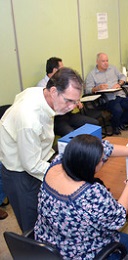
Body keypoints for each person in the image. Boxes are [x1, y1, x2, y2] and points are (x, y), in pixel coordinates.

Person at [35, 134, 128, 259]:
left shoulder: (57, 163)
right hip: (80, 254)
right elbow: (120, 216)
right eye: (101, 160)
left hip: (48, 247)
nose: (104, 160)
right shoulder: (91, 194)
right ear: (91, 165)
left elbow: (105, 149)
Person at [0, 67, 83, 232]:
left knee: (49, 211)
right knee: (32, 223)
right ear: (53, 91)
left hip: (37, 155)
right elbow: (31, 165)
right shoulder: (29, 120)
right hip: (20, 172)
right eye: (69, 101)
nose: (72, 107)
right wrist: (63, 173)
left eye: (75, 101)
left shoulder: (38, 92)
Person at [36, 57, 99, 137]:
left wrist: (74, 101)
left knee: (94, 123)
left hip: (68, 115)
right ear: (55, 70)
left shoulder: (61, 81)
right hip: (56, 120)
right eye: (61, 68)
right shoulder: (42, 86)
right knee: (71, 135)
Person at [86, 53, 128, 135]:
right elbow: (88, 90)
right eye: (103, 61)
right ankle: (115, 126)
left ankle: (119, 122)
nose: (106, 63)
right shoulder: (92, 74)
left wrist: (119, 84)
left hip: (119, 94)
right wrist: (97, 88)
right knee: (118, 110)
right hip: (106, 99)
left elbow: (123, 76)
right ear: (97, 62)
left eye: (107, 61)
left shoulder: (112, 68)